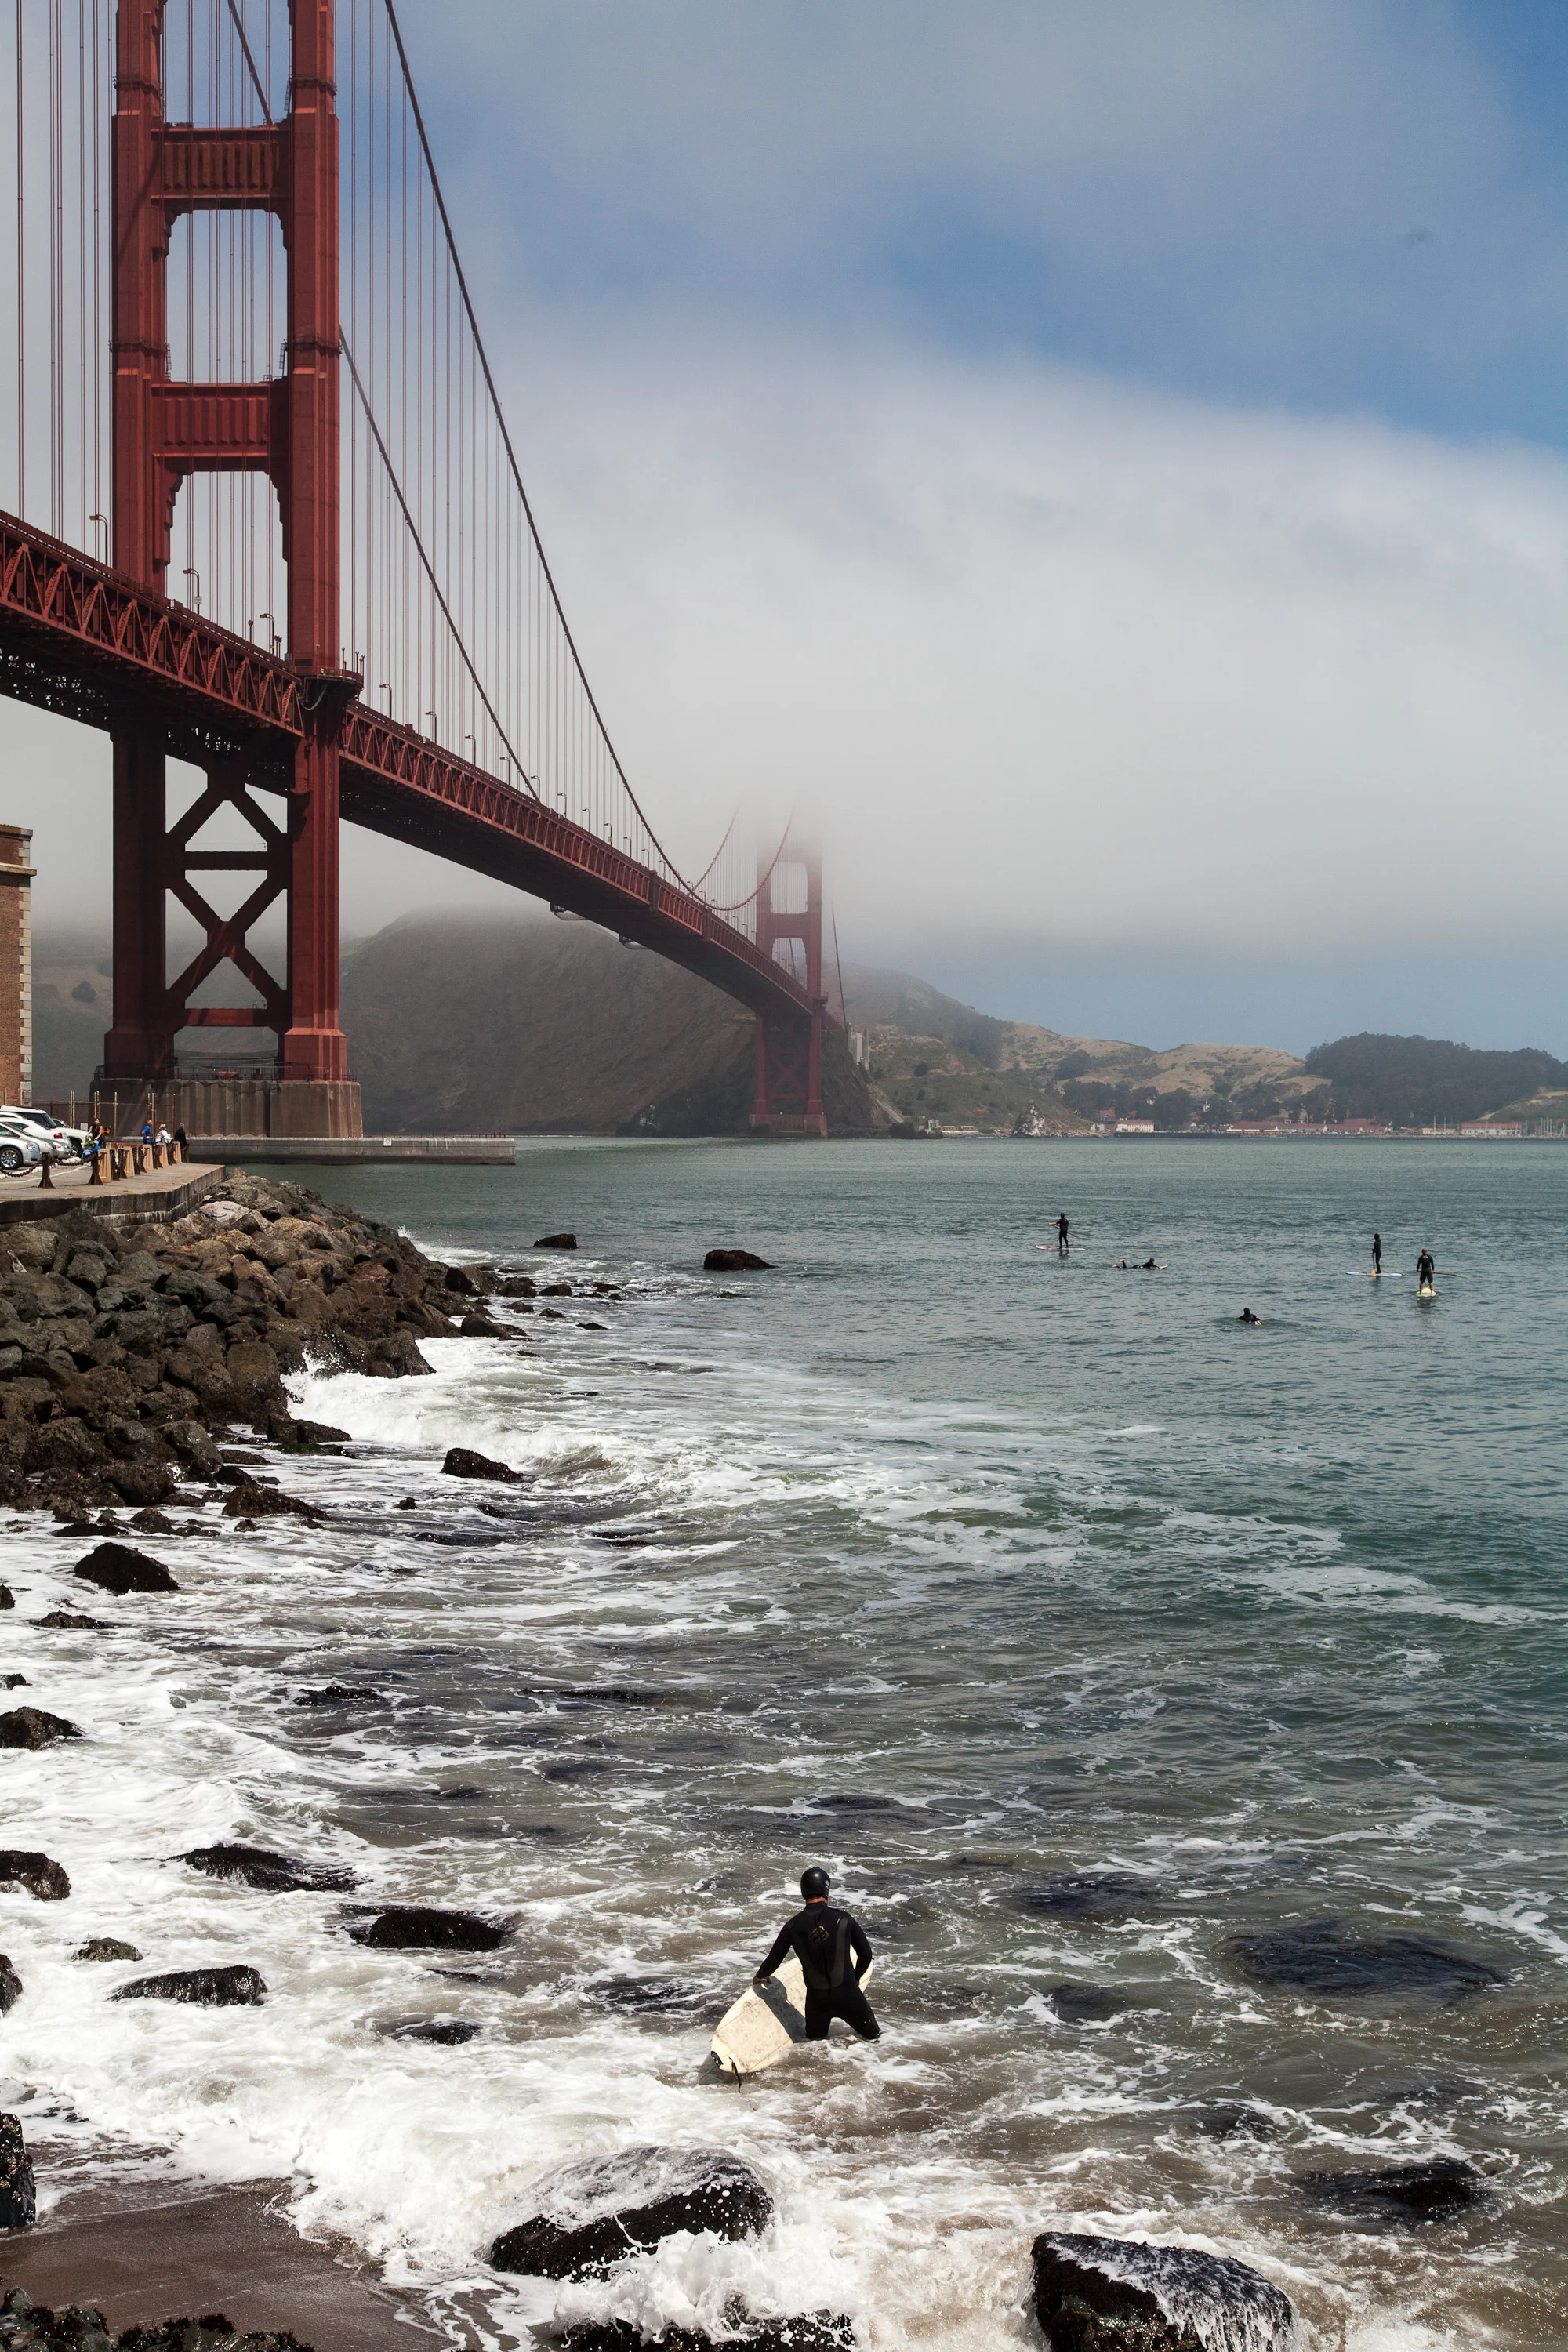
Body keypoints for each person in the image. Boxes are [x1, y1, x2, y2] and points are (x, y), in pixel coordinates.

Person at [753, 1867, 879, 2043]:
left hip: (817, 2003)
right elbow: (865, 1954)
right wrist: (855, 1979)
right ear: (826, 1889)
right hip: (849, 1996)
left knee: (815, 2045)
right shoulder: (843, 1918)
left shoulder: (793, 1926)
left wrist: (760, 1975)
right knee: (875, 2039)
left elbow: (775, 1958)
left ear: (804, 1891)